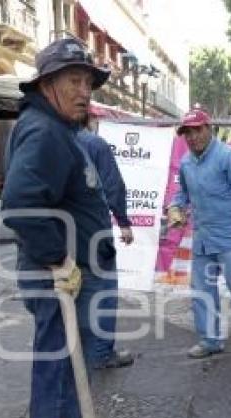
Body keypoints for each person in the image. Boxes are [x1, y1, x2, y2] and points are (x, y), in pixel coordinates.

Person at [0, 37, 113, 418]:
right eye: (74, 80)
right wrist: (58, 260)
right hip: (60, 277)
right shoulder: (45, 132)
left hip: (71, 273)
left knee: (70, 372)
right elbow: (21, 205)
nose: (85, 90)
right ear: (47, 84)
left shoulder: (56, 127)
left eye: (88, 81)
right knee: (60, 376)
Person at [166, 107, 231, 364]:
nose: (193, 137)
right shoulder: (186, 162)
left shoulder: (230, 157)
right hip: (203, 238)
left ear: (209, 128)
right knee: (201, 291)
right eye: (187, 132)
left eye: (197, 130)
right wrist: (175, 208)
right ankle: (209, 341)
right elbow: (182, 195)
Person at [75, 118, 136, 369]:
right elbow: (113, 185)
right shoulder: (94, 143)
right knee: (103, 293)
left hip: (62, 237)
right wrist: (123, 222)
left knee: (71, 297)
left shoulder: (50, 141)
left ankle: (76, 352)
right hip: (94, 234)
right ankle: (100, 353)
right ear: (91, 121)